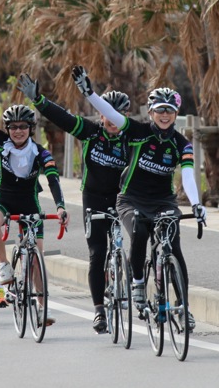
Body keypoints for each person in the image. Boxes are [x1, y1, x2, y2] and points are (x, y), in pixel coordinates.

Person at [71, 66, 206, 331]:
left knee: (174, 250)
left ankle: (184, 308)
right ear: (151, 112)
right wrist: (89, 93)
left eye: (169, 110)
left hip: (164, 201)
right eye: (160, 110)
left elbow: (188, 175)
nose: (164, 115)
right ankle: (137, 284)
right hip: (131, 199)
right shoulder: (137, 132)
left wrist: (196, 203)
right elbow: (111, 114)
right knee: (140, 231)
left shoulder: (181, 143)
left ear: (176, 114)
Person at [17, 73, 130, 333]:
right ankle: (100, 310)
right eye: (108, 114)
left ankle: (138, 291)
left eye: (119, 114)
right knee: (97, 253)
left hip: (124, 198)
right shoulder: (91, 133)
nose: (113, 120)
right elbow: (64, 119)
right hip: (94, 198)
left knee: (138, 238)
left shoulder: (131, 136)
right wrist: (38, 100)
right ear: (101, 115)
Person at [0, 82, 69, 325]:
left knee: (36, 262)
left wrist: (61, 206)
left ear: (31, 129)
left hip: (30, 205)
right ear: (7, 129)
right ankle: (3, 265)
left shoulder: (41, 153)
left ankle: (42, 309)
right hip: (5, 199)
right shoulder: (1, 143)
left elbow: (53, 180)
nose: (18, 131)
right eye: (13, 127)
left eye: (23, 127)